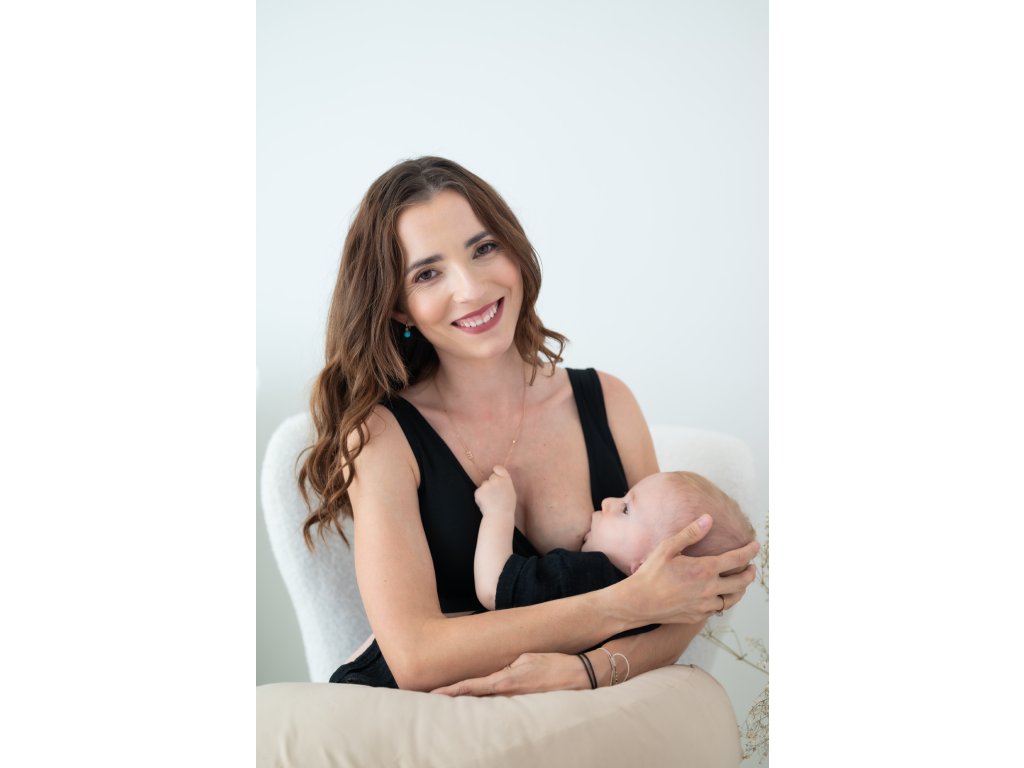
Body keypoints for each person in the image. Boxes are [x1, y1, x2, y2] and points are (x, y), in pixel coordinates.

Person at [298, 156, 759, 693]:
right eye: (428, 273)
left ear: (515, 252)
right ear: (400, 308)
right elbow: (416, 659)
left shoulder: (609, 402)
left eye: (483, 248)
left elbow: (679, 602)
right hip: (420, 721)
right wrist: (624, 604)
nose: (471, 288)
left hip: (571, 719)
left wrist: (586, 672)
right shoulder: (381, 437)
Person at [474, 467, 756, 612]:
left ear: (653, 565)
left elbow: (494, 589)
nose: (607, 501)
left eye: (625, 509)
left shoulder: (589, 574)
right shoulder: (667, 615)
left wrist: (498, 512)